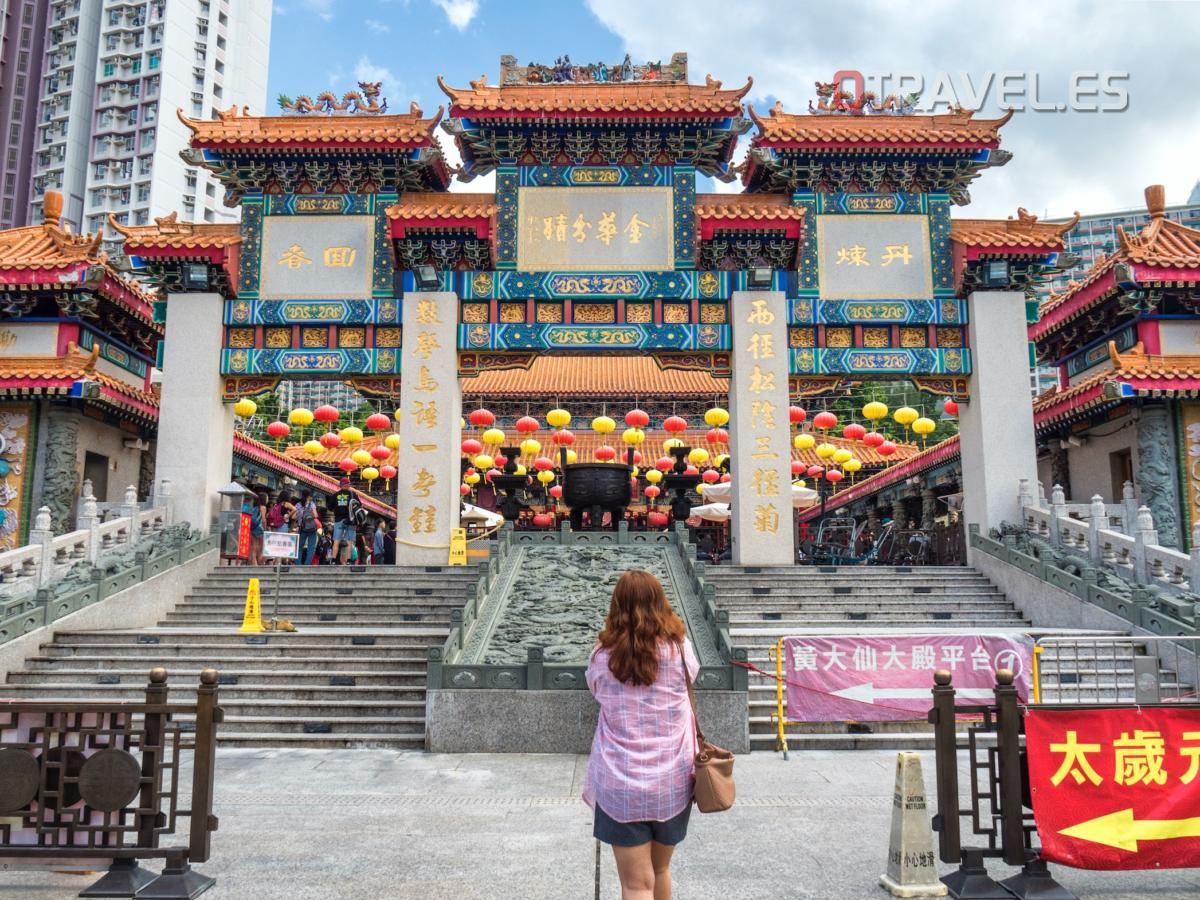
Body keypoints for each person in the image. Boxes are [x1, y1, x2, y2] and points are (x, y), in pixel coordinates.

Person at [584, 570, 698, 900]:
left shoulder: (601, 656)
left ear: (616, 605)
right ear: (660, 602)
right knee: (660, 870)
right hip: (673, 780)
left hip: (620, 782)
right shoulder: (680, 650)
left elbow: (596, 691)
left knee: (636, 885)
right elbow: (693, 677)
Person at [327, 478, 363, 565]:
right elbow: (359, 505)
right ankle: (349, 560)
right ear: (348, 485)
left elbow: (330, 507)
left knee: (336, 540)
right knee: (349, 541)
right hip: (350, 520)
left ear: (340, 485)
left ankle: (334, 560)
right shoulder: (353, 494)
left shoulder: (335, 495)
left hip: (338, 520)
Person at [295, 491, 321, 565]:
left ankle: (297, 564)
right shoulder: (311, 504)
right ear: (308, 497)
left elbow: (295, 517)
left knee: (299, 547)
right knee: (311, 547)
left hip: (302, 528)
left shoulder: (298, 505)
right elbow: (316, 515)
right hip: (312, 528)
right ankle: (307, 563)